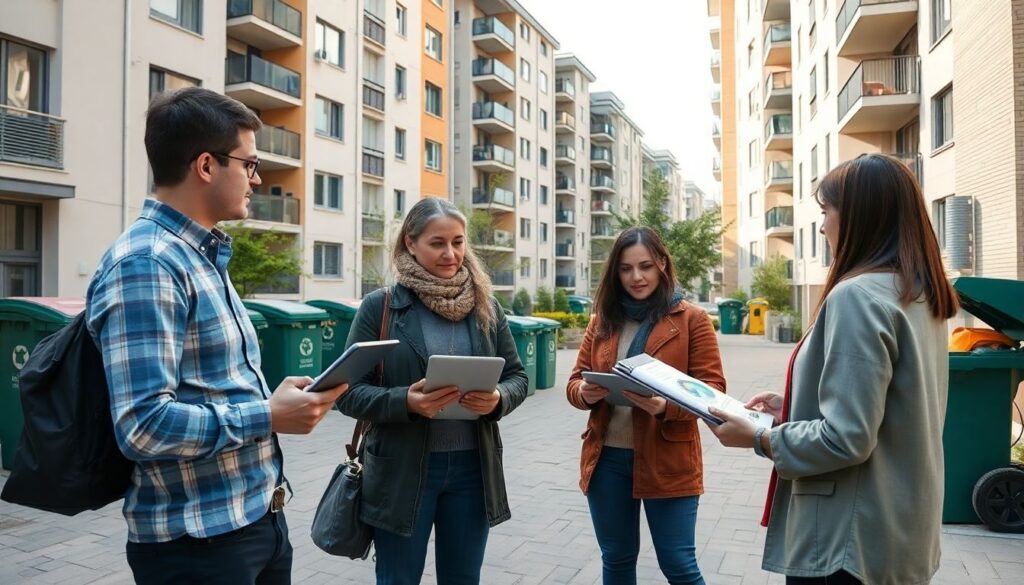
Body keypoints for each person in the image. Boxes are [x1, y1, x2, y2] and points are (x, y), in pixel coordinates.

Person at [86, 87, 348, 585]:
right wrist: (269, 414)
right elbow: (143, 425)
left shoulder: (200, 255)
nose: (257, 178)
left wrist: (274, 401)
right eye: (249, 164)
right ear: (206, 165)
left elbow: (209, 388)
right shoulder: (148, 263)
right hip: (197, 545)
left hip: (254, 519)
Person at [708, 154, 958, 585]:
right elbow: (892, 406)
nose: (823, 227)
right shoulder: (918, 295)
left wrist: (760, 437)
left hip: (847, 542)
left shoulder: (857, 298)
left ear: (862, 216)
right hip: (897, 529)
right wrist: (795, 404)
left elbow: (847, 439)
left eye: (826, 212)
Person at [336, 197, 528, 585]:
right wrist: (405, 401)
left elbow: (518, 377)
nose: (450, 253)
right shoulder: (382, 307)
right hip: (402, 471)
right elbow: (345, 391)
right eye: (437, 243)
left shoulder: (485, 306)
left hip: (473, 470)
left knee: (463, 578)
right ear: (411, 243)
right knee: (398, 578)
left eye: (458, 242)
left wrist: (498, 400)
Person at [566, 226, 725, 585]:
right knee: (617, 560)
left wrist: (663, 405)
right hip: (606, 458)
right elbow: (575, 381)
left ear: (663, 266)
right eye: (625, 268)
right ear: (615, 273)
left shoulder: (692, 320)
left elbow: (713, 392)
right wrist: (584, 394)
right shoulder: (603, 320)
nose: (636, 277)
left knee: (679, 565)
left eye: (646, 266)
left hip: (668, 458)